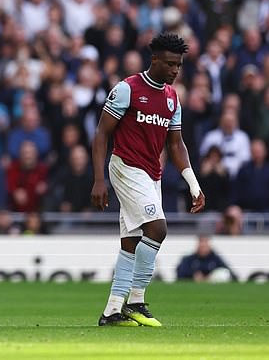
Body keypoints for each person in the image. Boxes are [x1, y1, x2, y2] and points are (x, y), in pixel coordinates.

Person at [91, 32, 205, 327]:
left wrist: (193, 183)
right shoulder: (127, 89)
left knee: (131, 241)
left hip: (151, 174)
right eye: (169, 64)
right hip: (126, 167)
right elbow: (102, 133)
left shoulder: (172, 98)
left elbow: (176, 144)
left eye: (178, 65)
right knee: (158, 228)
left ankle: (113, 310)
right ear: (154, 59)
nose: (175, 71)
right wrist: (98, 179)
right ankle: (137, 301)